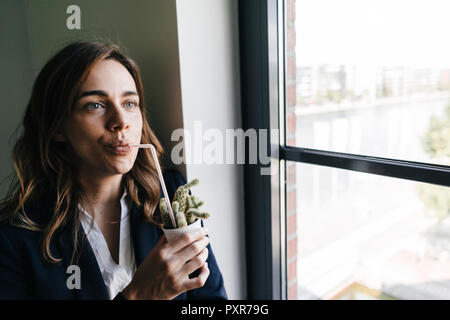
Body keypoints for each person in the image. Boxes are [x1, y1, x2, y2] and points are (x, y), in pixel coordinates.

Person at [0, 41, 227, 300]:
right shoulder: (15, 240)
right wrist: (139, 295)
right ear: (58, 127)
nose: (121, 122)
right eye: (95, 105)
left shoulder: (171, 195)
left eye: (130, 103)